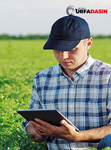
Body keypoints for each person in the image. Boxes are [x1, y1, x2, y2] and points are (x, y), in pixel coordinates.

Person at [21, 15, 111, 150]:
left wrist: (76, 136)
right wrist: (37, 131)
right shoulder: (42, 78)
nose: (63, 56)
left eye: (72, 49)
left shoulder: (108, 76)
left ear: (88, 43)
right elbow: (33, 129)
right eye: (57, 50)